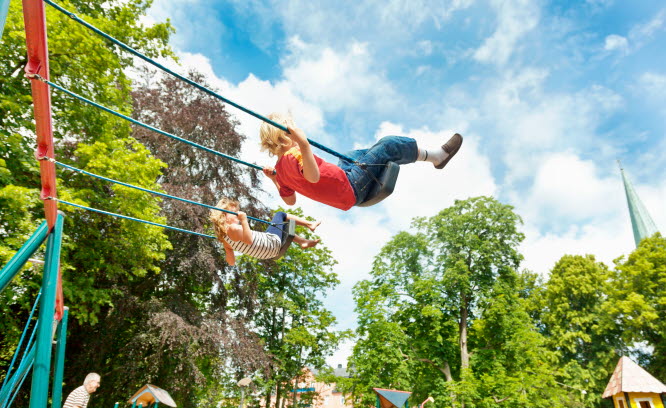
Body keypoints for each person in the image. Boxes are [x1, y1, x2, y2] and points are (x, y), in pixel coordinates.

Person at [259, 113, 463, 210]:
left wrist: (274, 180)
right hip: (351, 187)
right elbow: (313, 177)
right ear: (285, 134)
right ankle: (437, 157)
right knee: (389, 144)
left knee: (349, 154)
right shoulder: (295, 153)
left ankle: (378, 159)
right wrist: (304, 144)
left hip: (345, 183)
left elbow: (290, 201)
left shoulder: (280, 169)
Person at [210, 197, 320, 265]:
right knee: (280, 215)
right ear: (224, 216)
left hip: (267, 255)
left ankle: (302, 242)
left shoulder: (225, 240)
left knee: (278, 227)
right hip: (271, 244)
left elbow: (231, 262)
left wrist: (229, 253)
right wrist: (244, 220)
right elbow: (248, 241)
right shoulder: (234, 228)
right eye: (234, 213)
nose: (237, 215)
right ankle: (310, 224)